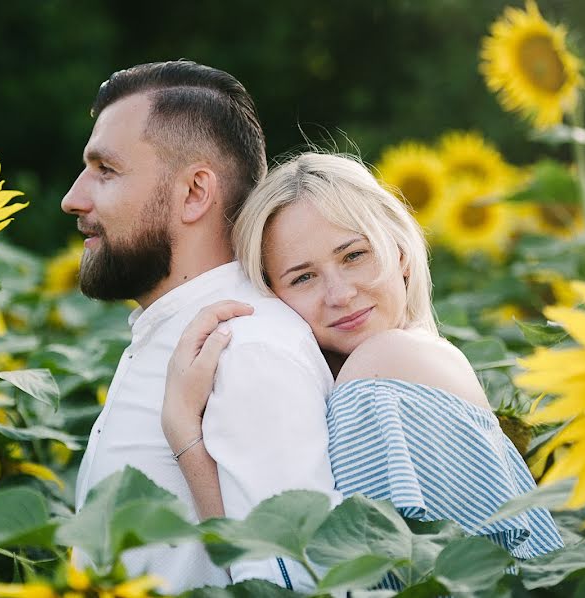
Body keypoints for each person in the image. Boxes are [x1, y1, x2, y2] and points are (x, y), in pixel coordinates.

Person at [163, 152, 564, 588]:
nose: (340, 294)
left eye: (354, 255)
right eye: (303, 278)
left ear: (401, 254)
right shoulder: (422, 356)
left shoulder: (382, 369)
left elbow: (327, 587)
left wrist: (184, 433)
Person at [62, 61, 340, 593]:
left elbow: (288, 580)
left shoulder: (247, 349)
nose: (74, 198)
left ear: (194, 193)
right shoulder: (174, 333)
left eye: (106, 171)